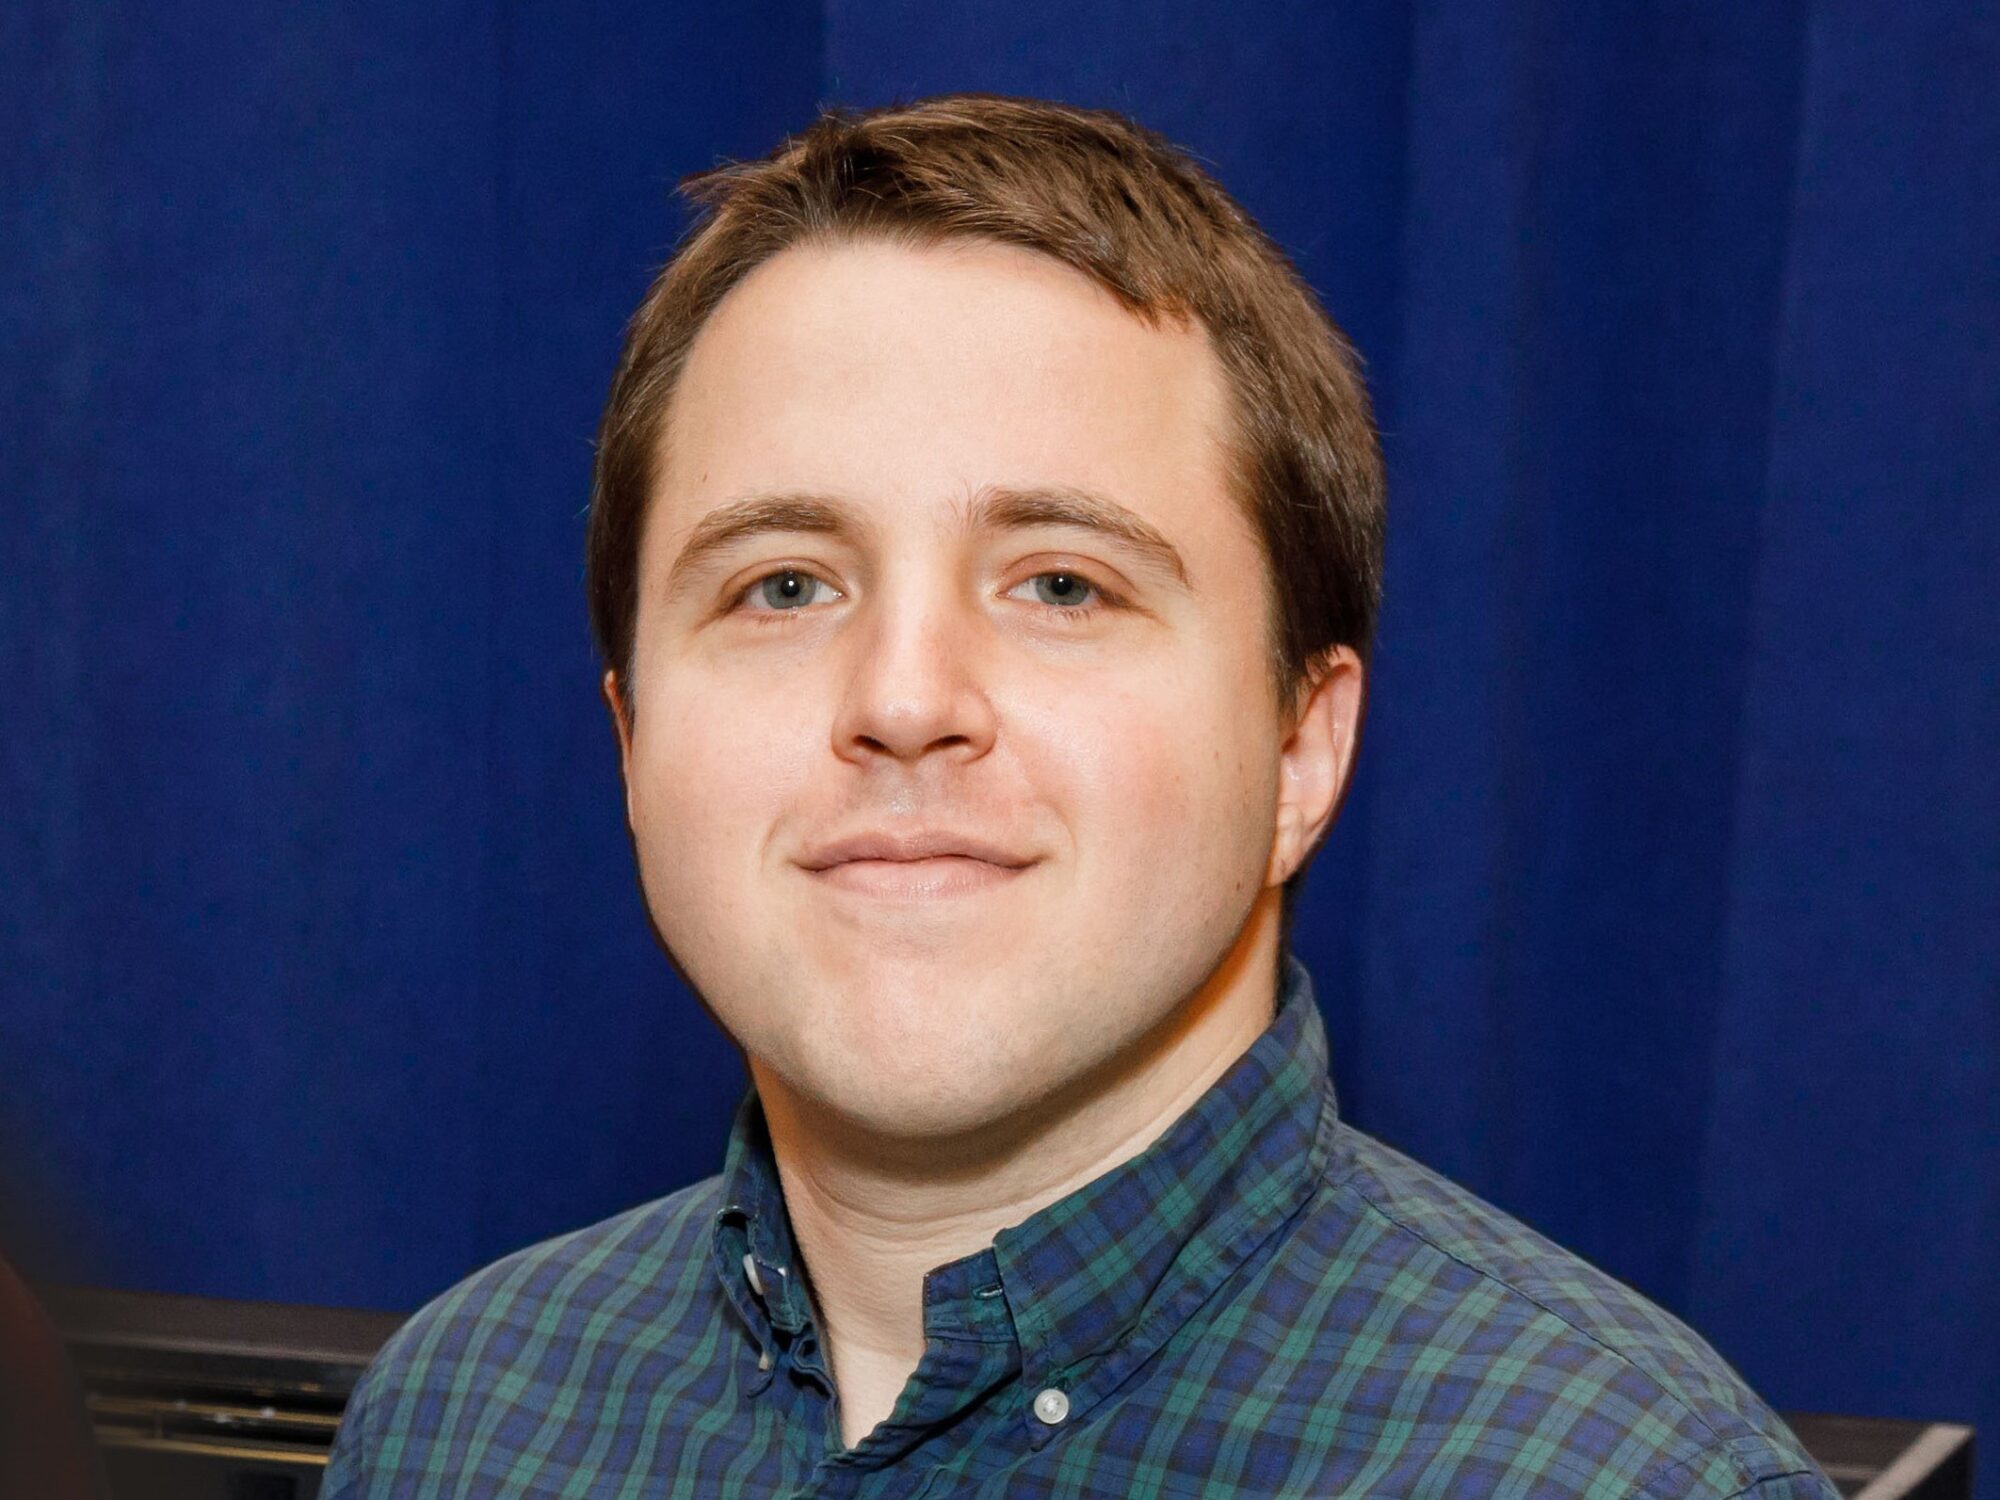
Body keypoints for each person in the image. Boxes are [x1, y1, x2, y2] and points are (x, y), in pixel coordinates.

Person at [323, 94, 1836, 1498]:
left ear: (1303, 749)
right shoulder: (459, 1418)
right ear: (631, 743)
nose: (904, 700)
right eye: (784, 584)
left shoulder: (1614, 1479)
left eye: (1062, 582)